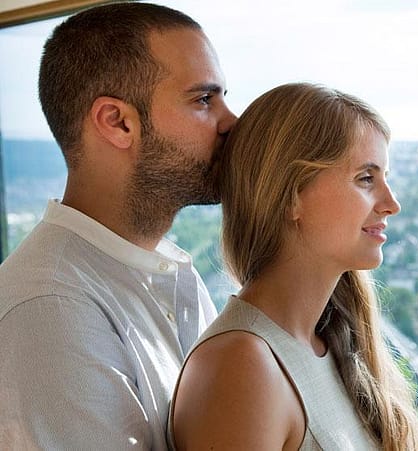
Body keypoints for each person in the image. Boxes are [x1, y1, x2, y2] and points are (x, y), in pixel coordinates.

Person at [0, 3, 235, 449]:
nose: (232, 122)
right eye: (204, 99)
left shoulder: (167, 270)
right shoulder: (50, 310)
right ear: (118, 122)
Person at [169, 83, 418, 450]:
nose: (391, 203)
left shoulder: (329, 345)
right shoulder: (241, 366)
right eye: (366, 179)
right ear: (291, 196)